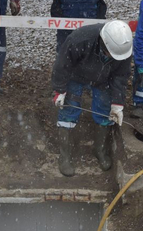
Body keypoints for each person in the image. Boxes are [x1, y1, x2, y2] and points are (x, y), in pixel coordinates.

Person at [52, 21, 133, 177]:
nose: (112, 57)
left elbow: (120, 77)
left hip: (103, 78)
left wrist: (117, 104)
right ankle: (65, 155)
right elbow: (62, 64)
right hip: (76, 75)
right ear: (103, 43)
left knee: (104, 110)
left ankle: (100, 149)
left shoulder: (123, 49)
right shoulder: (80, 39)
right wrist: (60, 90)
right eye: (110, 53)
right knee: (69, 109)